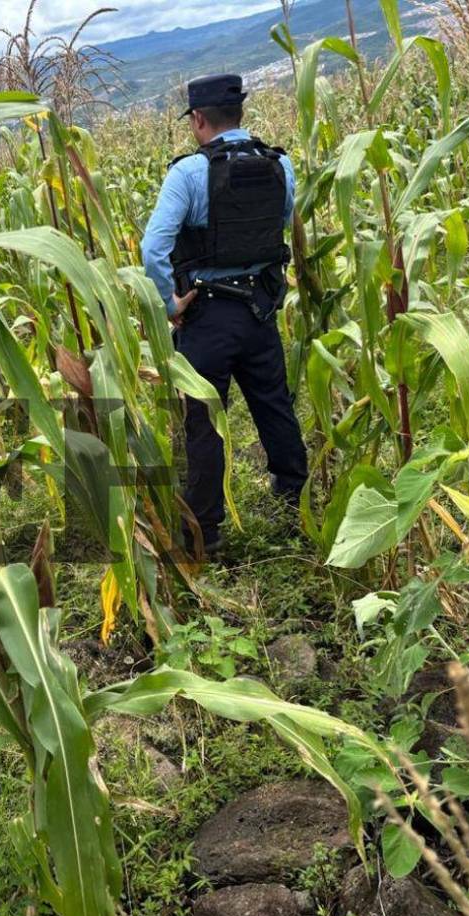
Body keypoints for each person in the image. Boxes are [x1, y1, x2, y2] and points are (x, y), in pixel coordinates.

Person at [140, 74, 308, 555]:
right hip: (260, 309)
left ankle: (204, 533)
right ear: (240, 114)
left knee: (205, 422)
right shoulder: (280, 164)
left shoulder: (189, 174)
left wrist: (169, 304)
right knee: (274, 403)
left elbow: (153, 249)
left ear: (197, 120)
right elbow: (279, 223)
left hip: (208, 315)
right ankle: (295, 497)